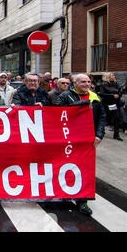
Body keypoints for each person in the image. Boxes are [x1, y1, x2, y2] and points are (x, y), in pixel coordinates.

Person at [56, 74, 106, 215]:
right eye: (83, 81)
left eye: (89, 82)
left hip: (87, 141)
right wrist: (81, 105)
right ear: (75, 83)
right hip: (68, 138)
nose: (86, 84)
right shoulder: (65, 96)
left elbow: (102, 117)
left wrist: (99, 135)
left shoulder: (95, 98)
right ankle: (64, 192)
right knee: (66, 165)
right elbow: (57, 112)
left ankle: (82, 200)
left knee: (84, 169)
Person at [99, 72, 123, 141]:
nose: (114, 76)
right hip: (106, 104)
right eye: (112, 75)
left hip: (115, 104)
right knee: (104, 118)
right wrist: (112, 95)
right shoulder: (103, 85)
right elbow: (102, 93)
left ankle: (116, 134)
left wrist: (119, 94)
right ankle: (101, 132)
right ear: (108, 76)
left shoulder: (116, 84)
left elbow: (119, 92)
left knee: (117, 118)